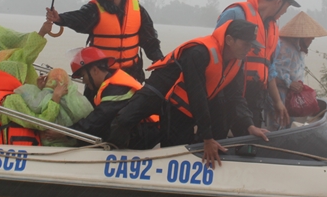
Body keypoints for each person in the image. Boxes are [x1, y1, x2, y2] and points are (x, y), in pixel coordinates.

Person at [108, 19, 270, 168]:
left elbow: (235, 97)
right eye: (246, 44)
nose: (249, 50)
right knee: (124, 120)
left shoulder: (236, 62)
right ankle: (110, 157)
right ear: (229, 40)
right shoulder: (199, 52)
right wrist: (207, 137)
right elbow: (196, 93)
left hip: (185, 103)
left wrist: (249, 125)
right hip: (162, 87)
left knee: (185, 142)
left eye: (251, 45)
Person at [46, 0, 163, 85]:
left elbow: (150, 41)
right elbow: (79, 18)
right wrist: (60, 18)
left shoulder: (137, 9)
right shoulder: (94, 8)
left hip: (131, 74)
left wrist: (160, 61)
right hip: (102, 75)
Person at [215, 0, 300, 132]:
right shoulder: (235, 14)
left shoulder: (273, 30)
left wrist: (277, 102)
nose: (285, 12)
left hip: (254, 100)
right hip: (228, 94)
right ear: (278, 2)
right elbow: (214, 54)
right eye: (286, 8)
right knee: (221, 142)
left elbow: (269, 68)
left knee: (249, 147)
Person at [0, 21, 77, 146]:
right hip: (22, 152)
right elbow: (43, 122)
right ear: (18, 75)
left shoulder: (1, 96)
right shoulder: (12, 100)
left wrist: (37, 90)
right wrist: (55, 98)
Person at [62, 47, 159, 148]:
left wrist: (66, 133)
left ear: (95, 70)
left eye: (83, 76)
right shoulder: (111, 83)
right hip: (144, 130)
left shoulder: (116, 89)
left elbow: (98, 118)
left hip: (147, 132)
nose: (84, 81)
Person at [273, 11, 327, 104]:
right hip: (280, 95)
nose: (311, 42)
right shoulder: (285, 48)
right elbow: (277, 71)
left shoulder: (298, 50)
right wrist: (289, 83)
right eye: (311, 39)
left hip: (292, 95)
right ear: (303, 38)